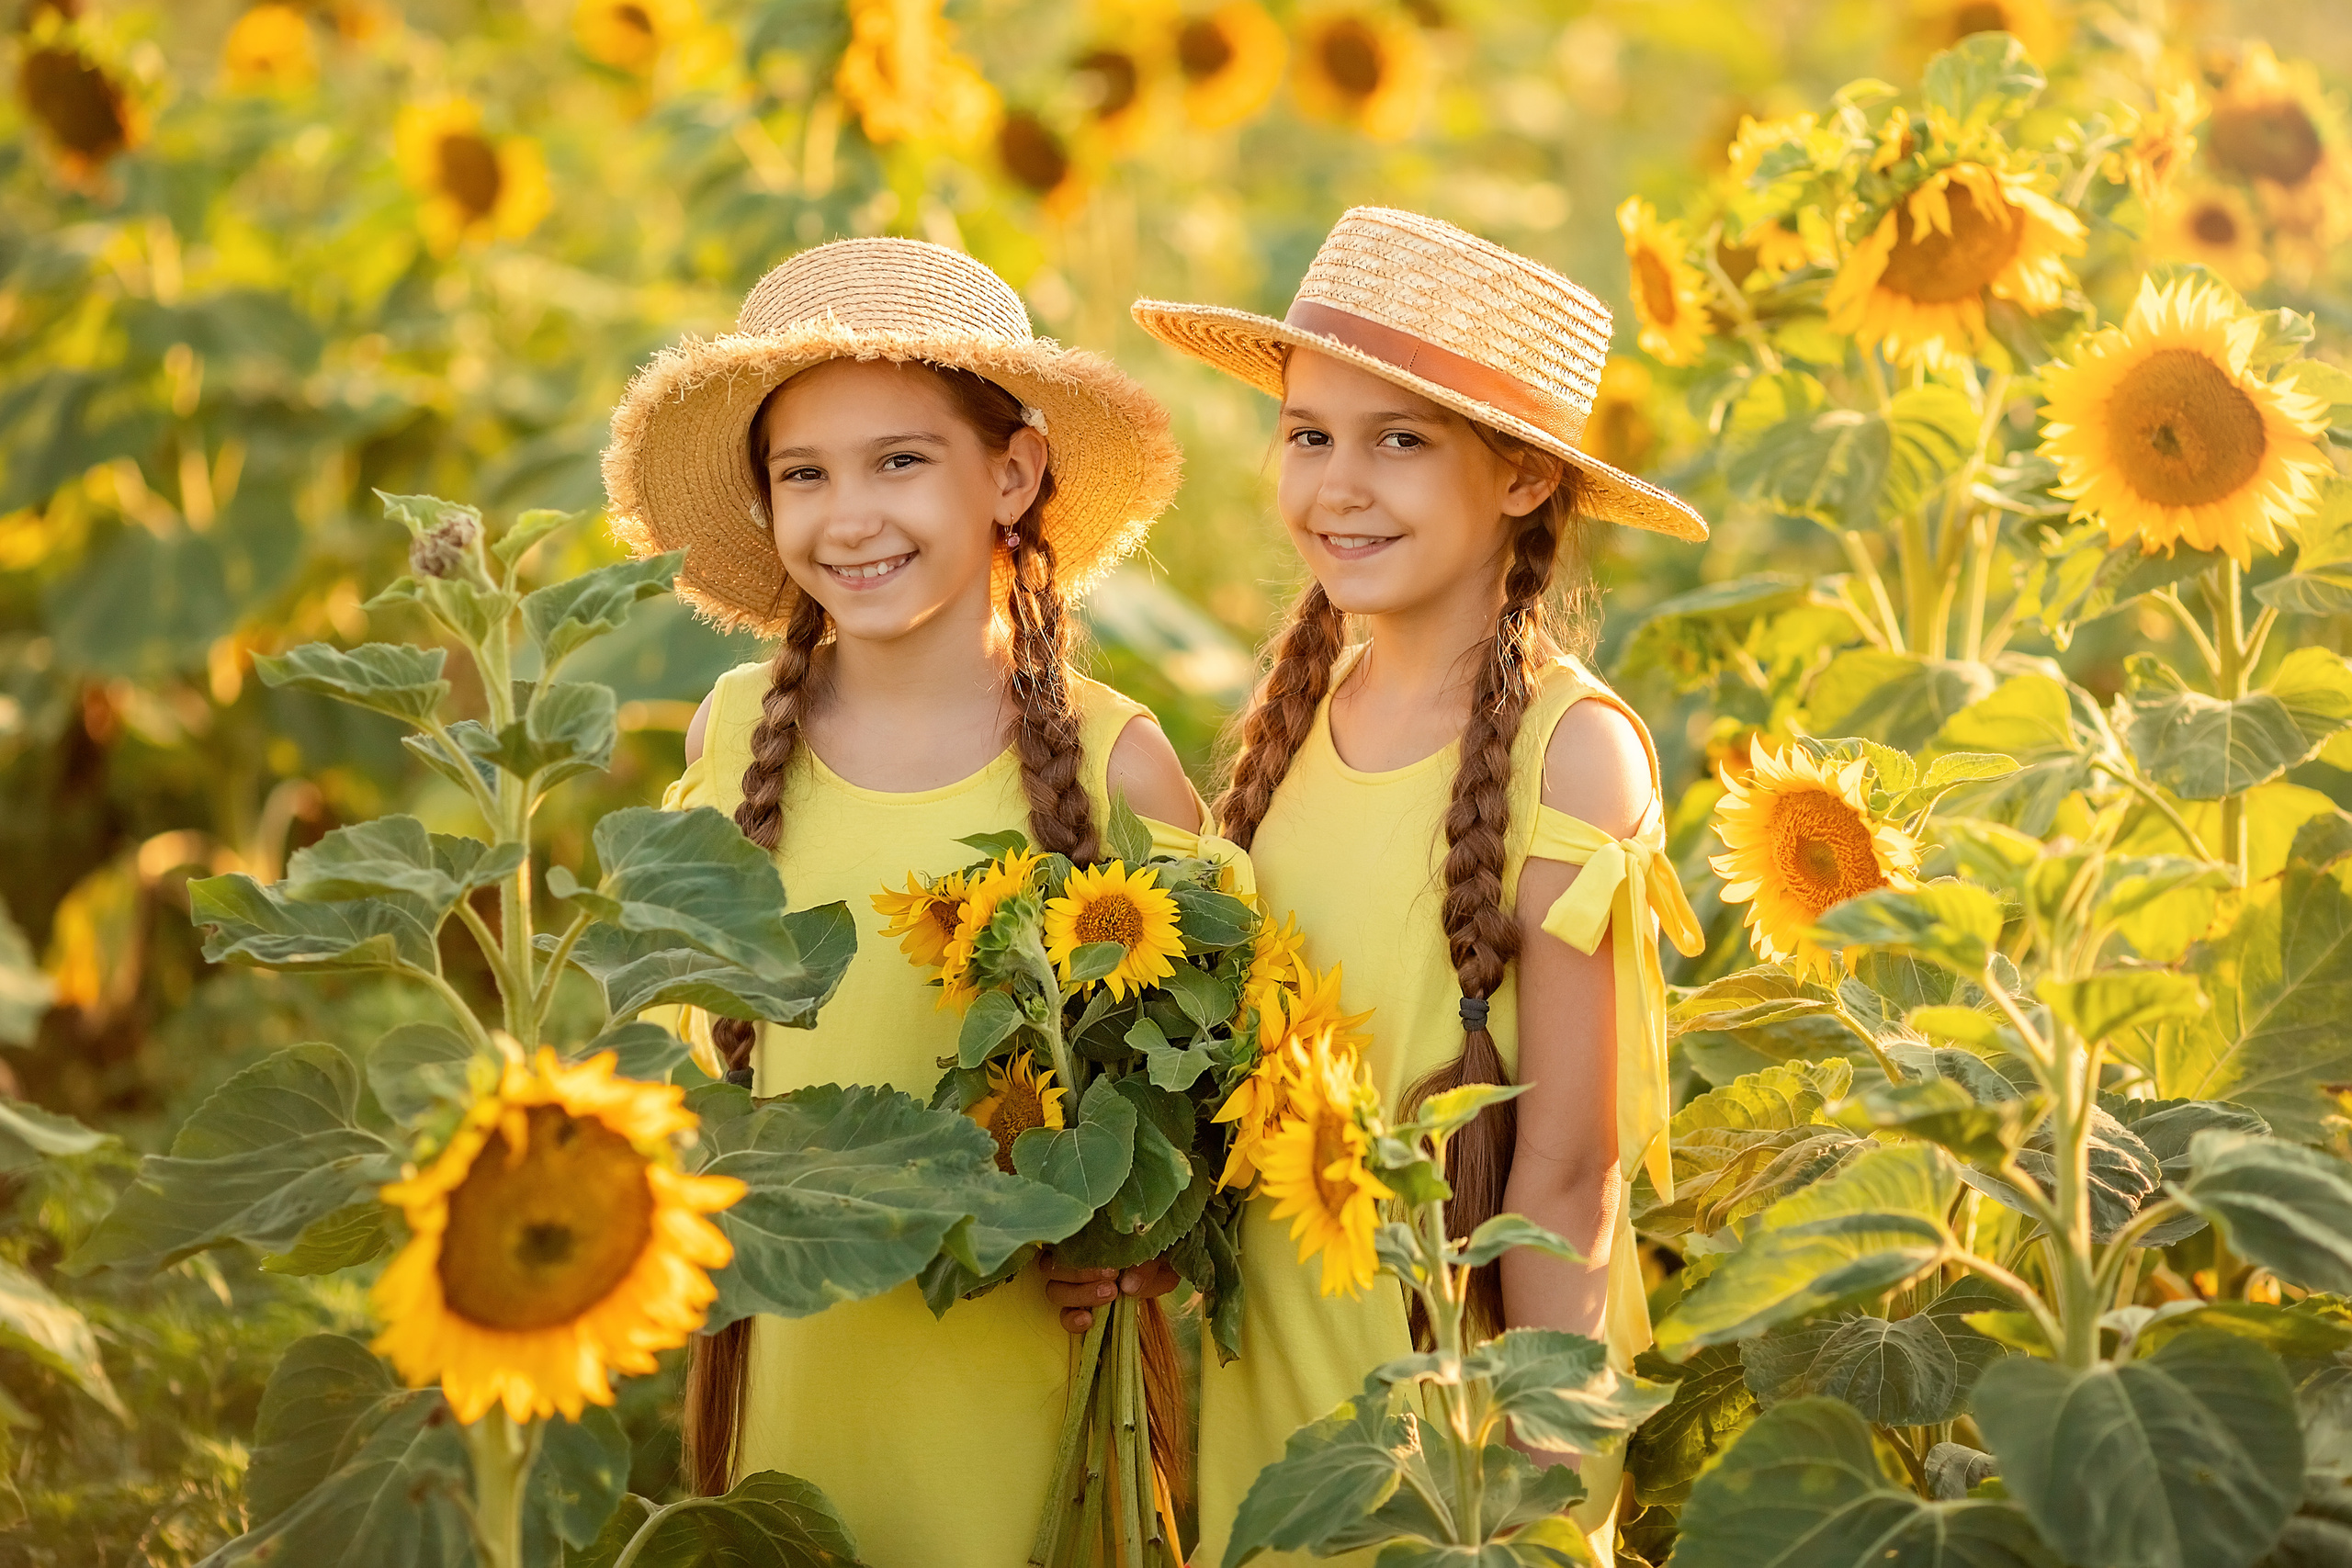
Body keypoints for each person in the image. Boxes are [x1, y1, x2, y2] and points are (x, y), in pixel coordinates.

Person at [1130, 206, 1710, 1562]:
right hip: (1273, 1374)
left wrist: (1529, 1483)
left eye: (1401, 441)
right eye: (1310, 435)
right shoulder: (1302, 716)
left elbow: (1570, 1168)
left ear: (1519, 478)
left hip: (1456, 1408)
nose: (1339, 486)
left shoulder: (1574, 754)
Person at [603, 236, 1192, 1565]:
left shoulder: (1115, 763)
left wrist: (1146, 1230)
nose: (849, 516)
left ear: (1014, 474)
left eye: (900, 462)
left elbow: (1199, 1080)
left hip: (1032, 1387)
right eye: (803, 474)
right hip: (802, 1362)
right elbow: (687, 1046)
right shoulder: (738, 728)